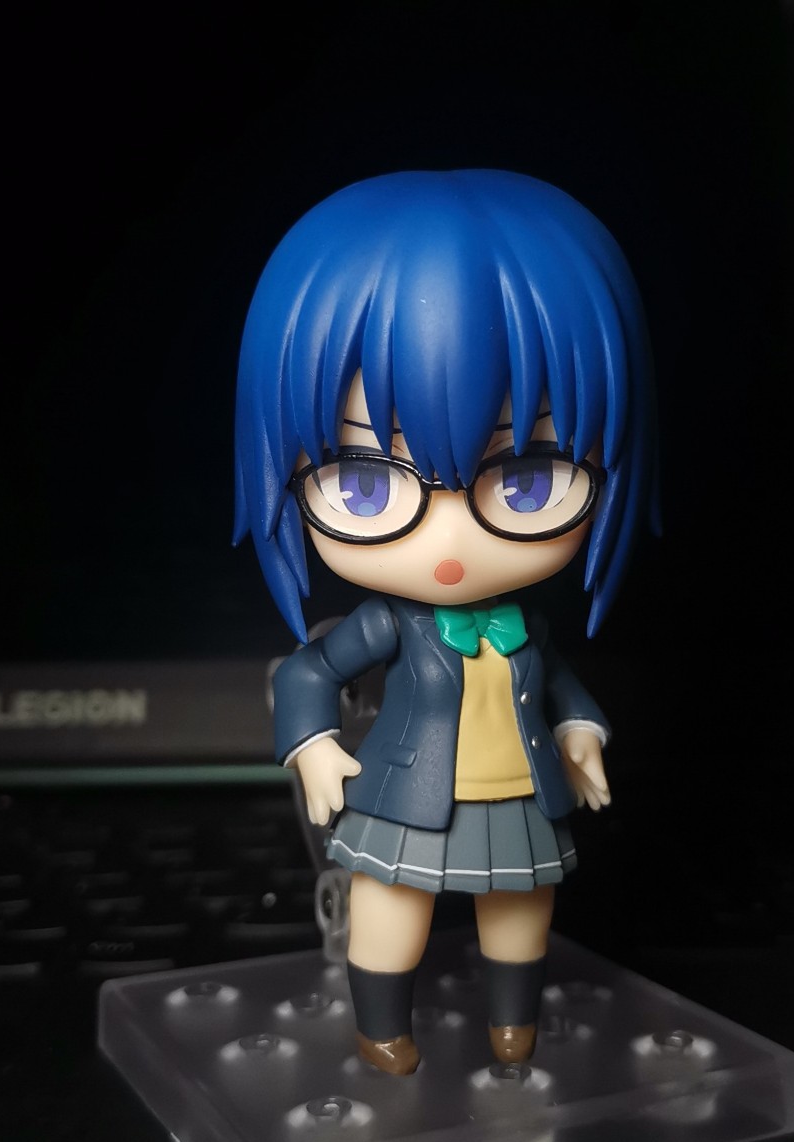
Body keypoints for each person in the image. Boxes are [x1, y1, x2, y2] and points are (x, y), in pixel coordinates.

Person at [234, 169, 657, 1073]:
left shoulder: (523, 625)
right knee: (390, 908)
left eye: (528, 478)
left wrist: (580, 732)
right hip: (406, 796)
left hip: (521, 793)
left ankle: (514, 1025)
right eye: (364, 483)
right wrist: (312, 746)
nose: (451, 542)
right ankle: (382, 1028)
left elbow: (560, 686)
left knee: (521, 911)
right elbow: (311, 670)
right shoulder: (393, 622)